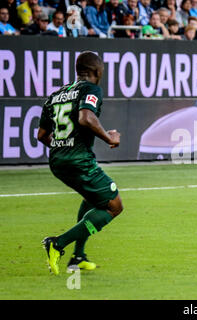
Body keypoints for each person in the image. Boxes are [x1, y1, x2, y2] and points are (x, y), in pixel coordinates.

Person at [38, 51, 124, 275]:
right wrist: (109, 138)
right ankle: (57, 243)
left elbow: (41, 135)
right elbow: (86, 118)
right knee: (114, 206)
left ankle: (78, 257)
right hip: (78, 160)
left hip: (57, 160)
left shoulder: (55, 95)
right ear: (97, 71)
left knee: (91, 199)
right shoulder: (91, 89)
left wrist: (63, 146)